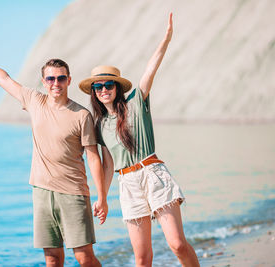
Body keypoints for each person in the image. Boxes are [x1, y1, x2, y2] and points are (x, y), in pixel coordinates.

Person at [0, 39, 108, 267]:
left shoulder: (81, 115)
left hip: (74, 192)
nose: (56, 83)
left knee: (84, 257)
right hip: (42, 193)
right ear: (44, 82)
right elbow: (3, 79)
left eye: (61, 78)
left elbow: (93, 157)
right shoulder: (35, 101)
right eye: (50, 78)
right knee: (52, 259)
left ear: (69, 80)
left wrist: (102, 197)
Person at [78, 13, 200, 267]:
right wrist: (102, 198)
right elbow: (108, 164)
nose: (103, 90)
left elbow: (150, 68)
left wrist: (166, 39)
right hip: (128, 184)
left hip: (153, 173)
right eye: (97, 87)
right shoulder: (100, 124)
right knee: (142, 259)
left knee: (177, 244)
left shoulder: (136, 102)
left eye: (108, 84)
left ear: (117, 86)